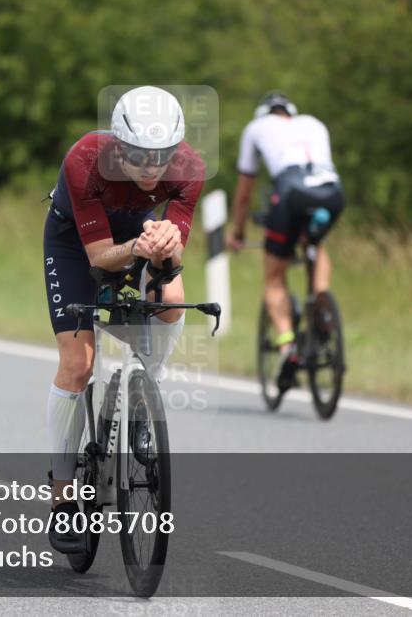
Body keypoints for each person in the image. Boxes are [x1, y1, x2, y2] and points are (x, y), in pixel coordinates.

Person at [43, 86, 205, 553]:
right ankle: (62, 498)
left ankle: (142, 397)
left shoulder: (189, 169)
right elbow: (98, 260)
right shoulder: (85, 160)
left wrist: (162, 248)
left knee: (172, 299)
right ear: (117, 145)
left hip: (136, 234)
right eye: (139, 154)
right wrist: (137, 249)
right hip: (76, 244)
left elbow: (168, 257)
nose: (153, 167)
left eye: (163, 155)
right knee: (78, 365)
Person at [227, 91, 345, 391]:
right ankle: (323, 305)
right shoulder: (314, 123)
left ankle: (286, 347)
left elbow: (244, 195)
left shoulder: (255, 129)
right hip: (331, 192)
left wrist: (238, 233)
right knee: (314, 244)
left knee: (274, 279)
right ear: (290, 111)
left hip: (291, 191)